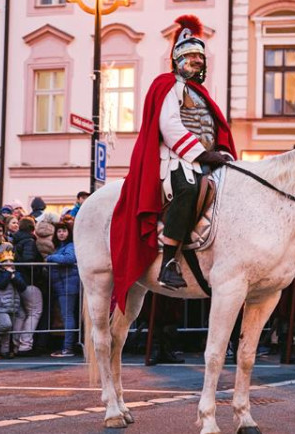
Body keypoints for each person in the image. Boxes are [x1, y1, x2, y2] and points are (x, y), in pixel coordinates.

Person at [110, 15, 237, 308]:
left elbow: (212, 126)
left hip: (204, 156)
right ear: (177, 58)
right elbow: (170, 125)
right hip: (176, 158)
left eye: (199, 57)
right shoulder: (167, 84)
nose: (196, 61)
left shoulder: (202, 94)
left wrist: (221, 149)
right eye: (190, 56)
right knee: (188, 190)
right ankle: (169, 262)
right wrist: (202, 153)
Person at [46, 222, 80, 357]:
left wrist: (50, 258)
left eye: (64, 231)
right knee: (68, 316)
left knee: (68, 317)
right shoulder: (61, 247)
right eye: (59, 231)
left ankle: (68, 348)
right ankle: (68, 347)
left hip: (68, 285)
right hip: (63, 285)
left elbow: (70, 258)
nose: (61, 233)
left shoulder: (70, 246)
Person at [12, 216, 43, 356]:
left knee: (21, 314)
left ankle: (16, 344)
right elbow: (29, 261)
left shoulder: (15, 240)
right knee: (34, 312)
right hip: (29, 281)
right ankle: (25, 345)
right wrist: (39, 271)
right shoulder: (30, 241)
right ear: (32, 228)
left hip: (18, 281)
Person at [0, 244, 24, 359]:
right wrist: (9, 274)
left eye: (11, 261)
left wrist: (15, 277)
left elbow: (22, 286)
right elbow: (1, 284)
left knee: (8, 330)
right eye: (6, 262)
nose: (9, 263)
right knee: (6, 325)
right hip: (0, 305)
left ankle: (4, 351)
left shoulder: (16, 274)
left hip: (13, 305)